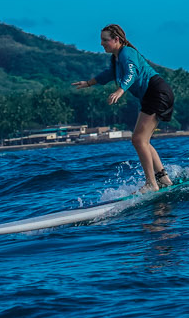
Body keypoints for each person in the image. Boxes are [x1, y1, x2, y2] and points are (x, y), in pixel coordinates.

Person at [73, 23, 176, 192]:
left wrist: (120, 90)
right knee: (142, 141)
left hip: (156, 92)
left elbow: (131, 73)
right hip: (152, 94)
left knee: (138, 140)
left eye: (105, 40)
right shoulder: (116, 58)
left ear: (116, 39)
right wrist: (89, 83)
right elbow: (109, 74)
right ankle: (163, 178)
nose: (101, 43)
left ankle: (151, 183)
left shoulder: (127, 53)